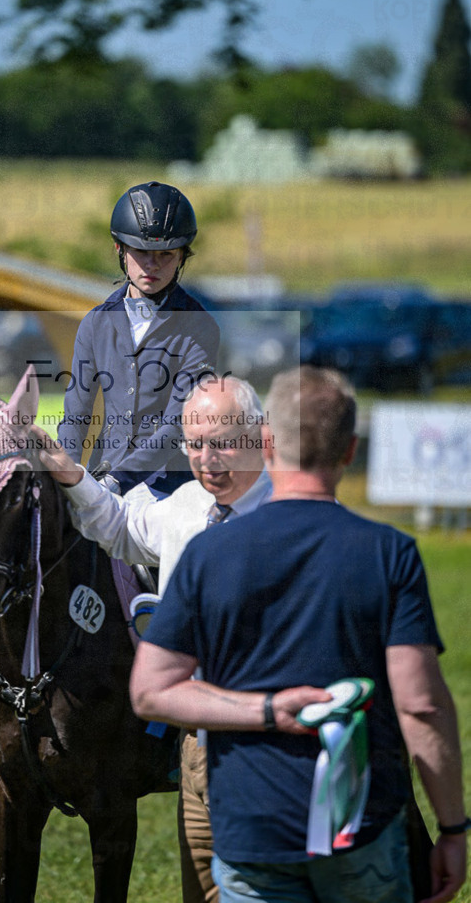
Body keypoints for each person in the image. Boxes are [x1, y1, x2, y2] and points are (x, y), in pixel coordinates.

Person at [130, 366, 468, 903]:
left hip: (250, 828)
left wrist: (267, 710)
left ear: (266, 443)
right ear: (350, 451)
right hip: (359, 825)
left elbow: (150, 691)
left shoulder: (208, 552)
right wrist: (453, 829)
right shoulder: (390, 552)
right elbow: (421, 706)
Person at [37, 375, 280, 903]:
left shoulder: (294, 519)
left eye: (223, 442)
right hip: (195, 747)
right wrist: (69, 472)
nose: (206, 458)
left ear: (262, 438)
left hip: (269, 746)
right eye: (194, 444)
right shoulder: (188, 506)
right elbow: (121, 526)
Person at [57, 180, 220, 496]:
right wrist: (68, 480)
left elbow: (176, 425)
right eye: (142, 252)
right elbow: (76, 414)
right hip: (100, 478)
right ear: (120, 249)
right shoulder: (95, 324)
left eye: (166, 254)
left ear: (183, 256)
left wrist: (119, 481)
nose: (152, 265)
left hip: (169, 489)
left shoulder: (200, 328)